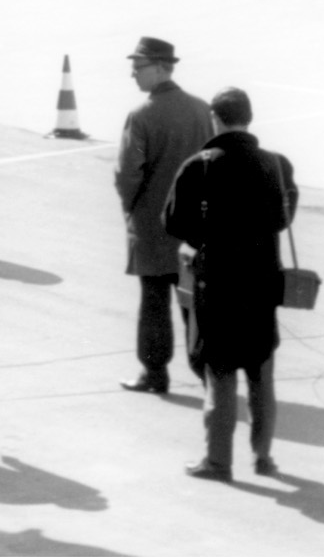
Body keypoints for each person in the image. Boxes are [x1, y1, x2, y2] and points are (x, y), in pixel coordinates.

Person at [164, 87, 298, 481]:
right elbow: (283, 219)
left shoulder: (199, 166)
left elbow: (173, 222)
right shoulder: (277, 165)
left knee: (219, 374)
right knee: (261, 372)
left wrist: (206, 237)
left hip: (217, 284)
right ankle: (263, 457)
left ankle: (218, 461)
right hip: (262, 282)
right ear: (249, 117)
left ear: (215, 118)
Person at [113, 35, 215, 395]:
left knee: (154, 302)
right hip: (195, 229)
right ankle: (210, 376)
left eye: (137, 67)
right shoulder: (203, 110)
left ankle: (154, 373)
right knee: (194, 304)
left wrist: (132, 210)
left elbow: (127, 174)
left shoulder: (142, 116)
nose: (132, 74)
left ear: (159, 69)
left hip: (153, 225)